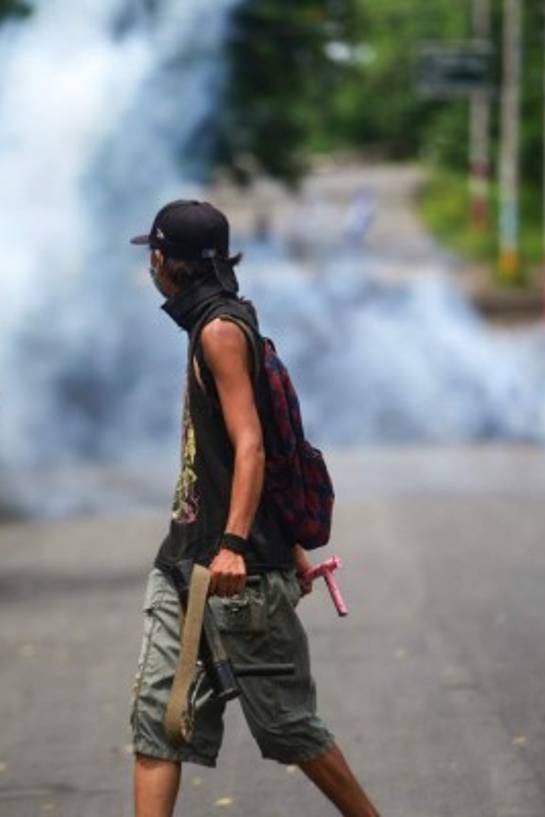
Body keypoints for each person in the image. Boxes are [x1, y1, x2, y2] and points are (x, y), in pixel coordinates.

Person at [127, 201, 380, 817]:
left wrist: (241, 544)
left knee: (289, 728)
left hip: (234, 572)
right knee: (160, 721)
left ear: (163, 260)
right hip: (184, 561)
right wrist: (283, 536)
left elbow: (251, 443)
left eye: (152, 257)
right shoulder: (211, 324)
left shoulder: (218, 331)